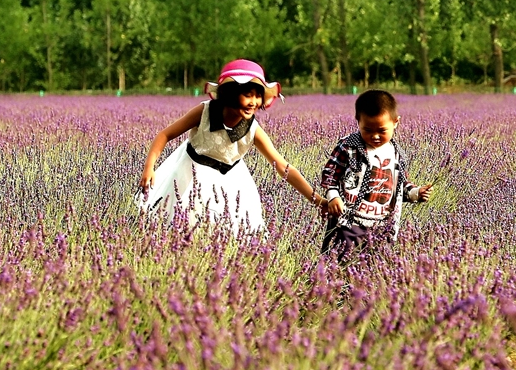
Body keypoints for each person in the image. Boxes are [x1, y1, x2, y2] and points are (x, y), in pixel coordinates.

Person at [138, 59, 326, 232]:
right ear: (229, 94)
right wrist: (149, 168)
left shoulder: (253, 129)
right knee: (179, 225)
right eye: (247, 95)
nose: (254, 102)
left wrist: (317, 200)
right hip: (190, 175)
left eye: (258, 96)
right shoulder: (205, 112)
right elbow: (165, 134)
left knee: (230, 230)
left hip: (230, 181)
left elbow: (283, 167)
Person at [320, 89, 432, 259]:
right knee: (339, 262)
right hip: (349, 221)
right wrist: (333, 196)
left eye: (381, 130)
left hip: (382, 225)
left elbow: (399, 185)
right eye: (368, 130)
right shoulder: (349, 146)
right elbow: (330, 173)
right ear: (358, 122)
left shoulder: (396, 153)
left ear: (395, 122)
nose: (375, 136)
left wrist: (416, 193)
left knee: (374, 267)